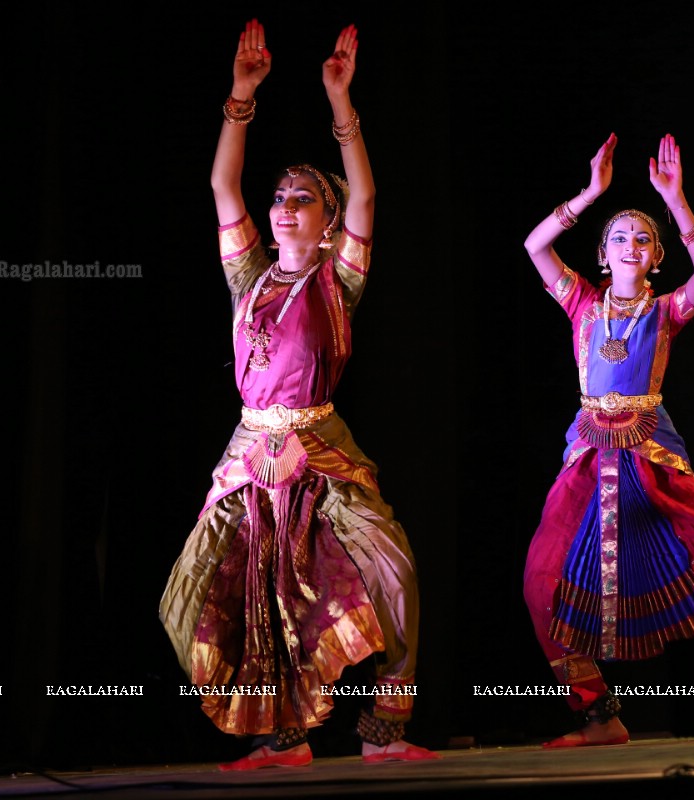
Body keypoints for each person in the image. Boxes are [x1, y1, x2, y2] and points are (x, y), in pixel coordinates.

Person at [159, 20, 438, 768]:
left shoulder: (337, 281)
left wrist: (338, 102)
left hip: (320, 443)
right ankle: (285, 738)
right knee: (230, 589)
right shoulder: (248, 279)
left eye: (304, 198)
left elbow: (369, 196)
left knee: (393, 570)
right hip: (251, 449)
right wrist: (240, 96)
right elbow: (223, 184)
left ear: (325, 221)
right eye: (280, 195)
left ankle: (385, 731)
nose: (285, 205)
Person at [522, 133, 694, 747]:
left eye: (642, 239)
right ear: (601, 253)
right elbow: (534, 244)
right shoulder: (581, 305)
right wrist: (591, 192)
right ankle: (599, 717)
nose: (630, 245)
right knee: (543, 579)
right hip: (590, 453)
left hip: (652, 449)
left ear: (655, 259)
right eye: (619, 236)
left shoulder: (667, 310)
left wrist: (675, 200)